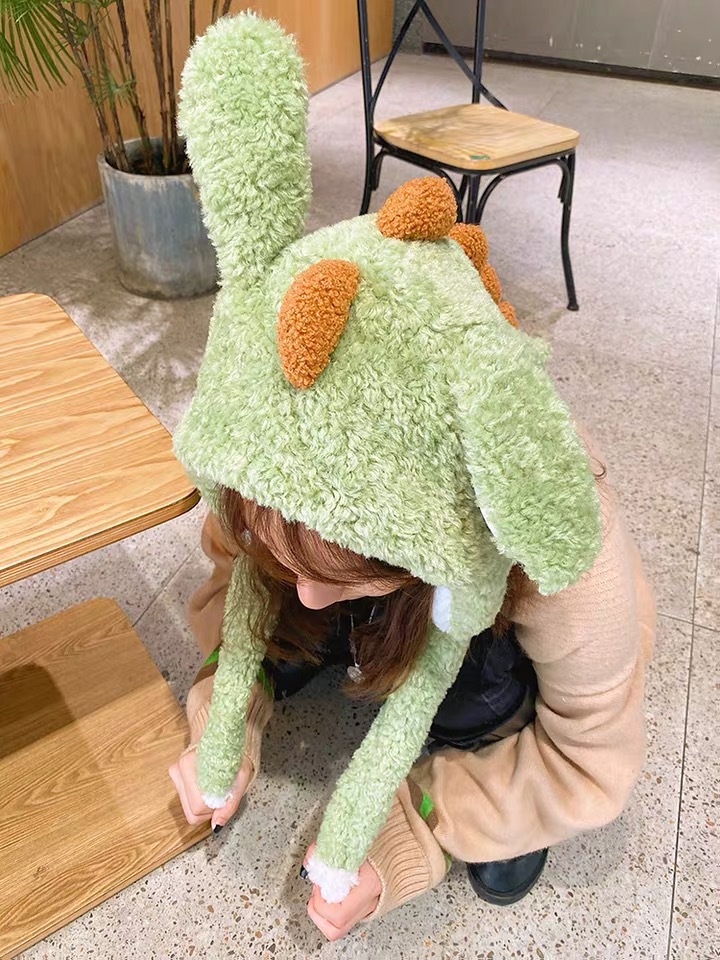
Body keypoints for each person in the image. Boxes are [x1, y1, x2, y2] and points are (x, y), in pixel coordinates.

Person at [169, 12, 655, 942]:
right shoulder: (262, 463)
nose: (304, 587)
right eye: (281, 546)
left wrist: (421, 828)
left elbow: (589, 763)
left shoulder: (565, 553)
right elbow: (231, 590)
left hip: (479, 616)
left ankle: (473, 762)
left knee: (480, 713)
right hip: (402, 579)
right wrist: (219, 723)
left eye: (339, 568)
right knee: (287, 609)